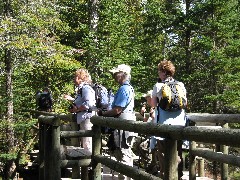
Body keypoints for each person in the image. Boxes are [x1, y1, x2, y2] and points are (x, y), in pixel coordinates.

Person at [97, 64, 136, 180]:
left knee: (123, 154)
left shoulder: (124, 89)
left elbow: (117, 109)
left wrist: (103, 114)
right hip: (125, 124)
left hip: (123, 125)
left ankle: (124, 177)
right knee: (123, 154)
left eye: (115, 74)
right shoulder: (127, 88)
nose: (113, 76)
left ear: (122, 74)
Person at [151, 60, 187, 179]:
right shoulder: (180, 85)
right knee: (178, 153)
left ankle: (165, 176)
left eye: (159, 71)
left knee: (163, 155)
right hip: (180, 125)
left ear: (162, 72)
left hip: (163, 126)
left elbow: (154, 104)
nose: (158, 73)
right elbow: (185, 103)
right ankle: (179, 176)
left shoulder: (158, 86)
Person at [64, 68, 96, 152]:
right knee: (85, 142)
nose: (73, 79)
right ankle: (87, 162)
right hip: (83, 118)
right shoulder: (81, 89)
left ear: (79, 78)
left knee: (87, 143)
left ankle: (89, 163)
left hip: (87, 118)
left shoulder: (85, 88)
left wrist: (77, 109)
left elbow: (89, 104)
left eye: (75, 77)